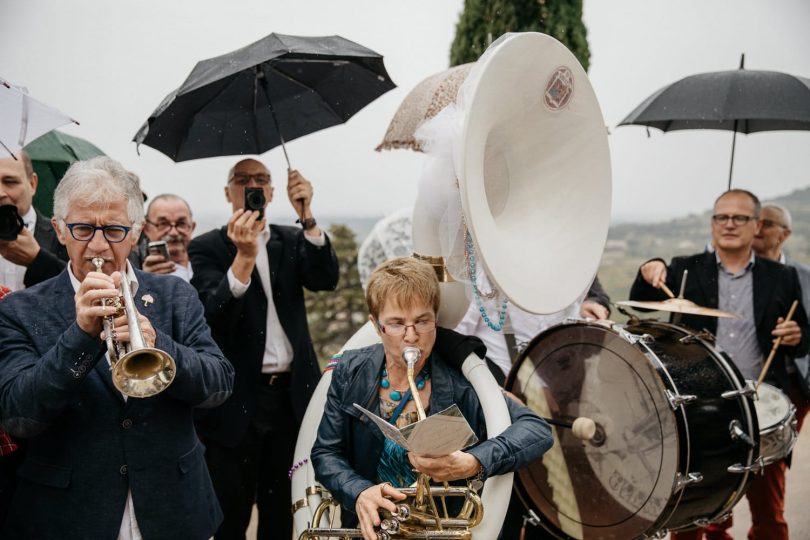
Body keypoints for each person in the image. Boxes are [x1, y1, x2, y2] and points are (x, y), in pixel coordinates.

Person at [0, 156, 234, 539]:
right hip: (68, 518)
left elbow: (220, 385)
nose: (98, 245)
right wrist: (79, 336)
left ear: (136, 232)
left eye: (112, 229)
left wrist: (159, 344)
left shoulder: (175, 294)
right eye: (82, 228)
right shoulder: (18, 310)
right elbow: (18, 417)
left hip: (175, 512)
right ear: (59, 230)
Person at [310, 257, 553, 540]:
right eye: (397, 324)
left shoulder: (464, 380)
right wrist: (360, 491)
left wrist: (474, 461)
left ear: (435, 320)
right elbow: (326, 453)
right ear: (377, 327)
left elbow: (537, 430)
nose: (411, 336)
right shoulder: (349, 372)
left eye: (422, 321)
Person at [629, 189, 810, 540]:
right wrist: (648, 268)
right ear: (712, 223)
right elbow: (645, 303)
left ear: (756, 225)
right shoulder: (685, 268)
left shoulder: (781, 276)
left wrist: (796, 335)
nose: (729, 224)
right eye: (721, 217)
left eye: (739, 218)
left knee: (770, 514)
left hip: (760, 407)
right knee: (692, 515)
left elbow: (804, 331)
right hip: (698, 409)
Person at [189, 158, 339, 540]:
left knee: (281, 510)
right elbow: (212, 317)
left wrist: (306, 214)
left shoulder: (290, 239)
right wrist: (243, 256)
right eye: (242, 180)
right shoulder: (207, 247)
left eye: (261, 180)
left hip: (291, 399)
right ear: (228, 192)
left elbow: (325, 278)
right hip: (238, 399)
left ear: (272, 192)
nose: (252, 186)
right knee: (231, 513)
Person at [753, 201, 810, 431]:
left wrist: (799, 336)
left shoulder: (805, 277)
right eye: (754, 222)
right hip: (742, 378)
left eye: (766, 224)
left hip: (791, 382)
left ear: (784, 235)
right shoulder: (734, 275)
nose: (757, 229)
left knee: (772, 460)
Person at [0, 151, 68, 290]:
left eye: (10, 182)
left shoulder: (65, 235)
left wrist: (37, 260)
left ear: (32, 183)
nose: (0, 192)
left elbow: (80, 288)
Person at [141, 193, 196, 282]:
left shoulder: (210, 265)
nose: (173, 233)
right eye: (163, 224)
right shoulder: (132, 273)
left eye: (181, 224)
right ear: (146, 229)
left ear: (192, 227)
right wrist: (144, 281)